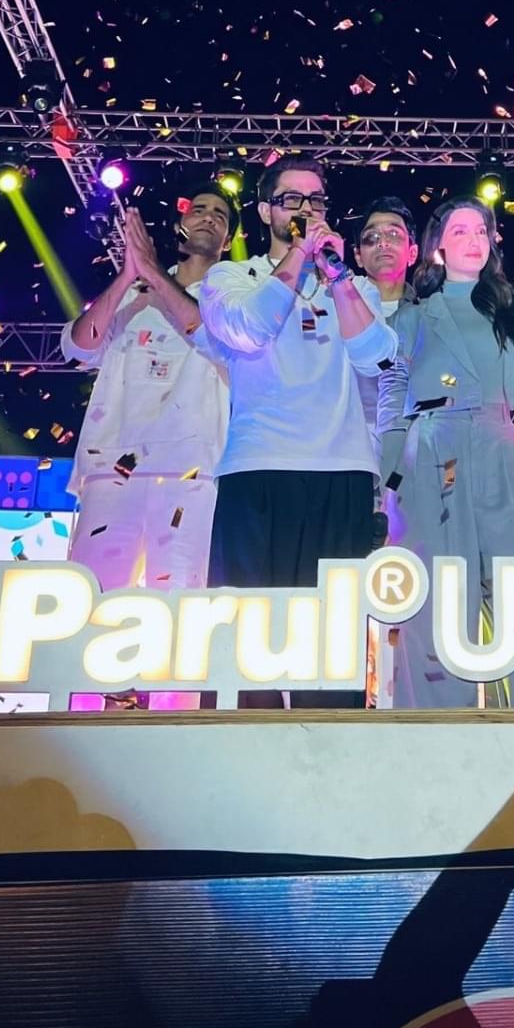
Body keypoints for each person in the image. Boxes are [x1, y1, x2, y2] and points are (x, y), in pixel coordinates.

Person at [198, 153, 397, 708]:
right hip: (257, 469)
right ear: (265, 211)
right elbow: (249, 330)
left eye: (316, 200)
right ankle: (236, 752)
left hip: (342, 471)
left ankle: (327, 755)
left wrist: (336, 277)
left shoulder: (351, 285)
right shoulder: (231, 278)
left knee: (331, 648)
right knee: (245, 640)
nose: (306, 210)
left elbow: (377, 356)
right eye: (292, 200)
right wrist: (298, 257)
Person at [377, 196, 514, 710]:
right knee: (437, 591)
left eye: (481, 230)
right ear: (437, 246)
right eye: (459, 231)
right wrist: (385, 484)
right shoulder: (413, 317)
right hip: (431, 448)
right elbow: (392, 399)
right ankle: (434, 727)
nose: (473, 240)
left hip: (499, 442)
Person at [62, 186, 235, 711]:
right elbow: (80, 345)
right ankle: (77, 724)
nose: (208, 218)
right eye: (198, 209)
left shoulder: (231, 299)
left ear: (229, 239)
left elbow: (215, 342)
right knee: (94, 608)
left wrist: (155, 274)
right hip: (110, 471)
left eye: (220, 215)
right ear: (180, 225)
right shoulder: (132, 295)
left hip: (191, 475)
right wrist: (127, 275)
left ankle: (171, 728)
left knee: (178, 613)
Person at [352, 197, 420, 445]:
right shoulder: (335, 308)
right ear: (358, 256)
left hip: (407, 444)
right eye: (371, 237)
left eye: (393, 234)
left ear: (412, 253)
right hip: (347, 444)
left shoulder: (430, 316)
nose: (382, 243)